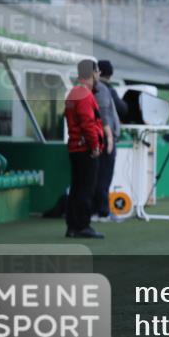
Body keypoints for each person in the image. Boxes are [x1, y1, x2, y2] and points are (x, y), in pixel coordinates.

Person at [64, 59, 105, 239]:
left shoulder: (74, 92)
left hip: (76, 147)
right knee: (85, 189)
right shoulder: (85, 95)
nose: (99, 76)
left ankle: (73, 226)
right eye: (97, 72)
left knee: (77, 188)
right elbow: (88, 123)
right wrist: (95, 145)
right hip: (85, 149)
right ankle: (82, 226)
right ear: (92, 73)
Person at [93, 60, 123, 219]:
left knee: (96, 176)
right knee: (103, 176)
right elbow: (104, 114)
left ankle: (96, 210)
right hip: (103, 138)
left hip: (94, 138)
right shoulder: (102, 90)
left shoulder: (85, 89)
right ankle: (102, 211)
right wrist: (110, 137)